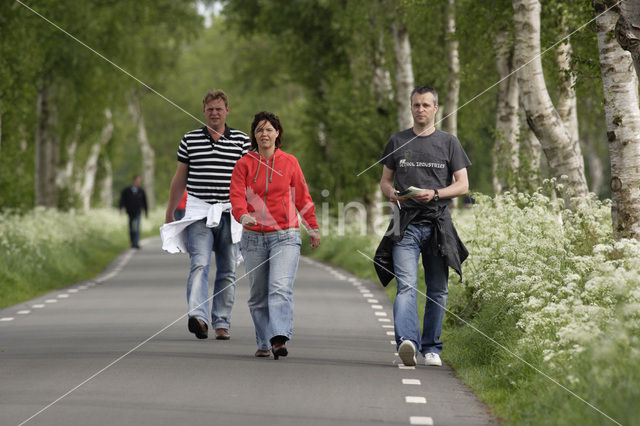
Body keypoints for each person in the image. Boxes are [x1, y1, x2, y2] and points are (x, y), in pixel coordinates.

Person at [376, 85, 471, 367]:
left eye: (426, 105)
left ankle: (431, 348)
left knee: (438, 289)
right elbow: (384, 181)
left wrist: (437, 194)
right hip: (404, 224)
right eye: (416, 105)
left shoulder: (449, 142)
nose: (420, 110)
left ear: (435, 109)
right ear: (411, 108)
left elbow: (463, 184)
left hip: (439, 226)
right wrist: (391, 193)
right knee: (406, 284)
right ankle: (407, 342)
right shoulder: (397, 141)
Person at [230, 111, 321, 359]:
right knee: (259, 294)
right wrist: (242, 215)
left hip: (286, 235)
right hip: (253, 238)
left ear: (277, 133)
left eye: (269, 129)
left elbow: (302, 197)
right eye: (259, 130)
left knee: (279, 287)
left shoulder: (289, 162)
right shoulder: (244, 164)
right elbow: (236, 195)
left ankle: (279, 338)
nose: (264, 134)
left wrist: (311, 226)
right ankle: (263, 340)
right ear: (254, 135)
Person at [164, 89, 250, 341]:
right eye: (210, 109)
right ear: (204, 112)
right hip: (199, 211)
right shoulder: (190, 140)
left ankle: (221, 322)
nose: (214, 113)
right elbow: (180, 178)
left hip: (230, 211)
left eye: (219, 109)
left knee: (227, 270)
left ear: (227, 111)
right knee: (199, 264)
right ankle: (198, 317)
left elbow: (249, 181)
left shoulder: (242, 141)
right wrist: (170, 211)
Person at [119, 175, 148, 249]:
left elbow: (145, 202)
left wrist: (146, 212)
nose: (138, 182)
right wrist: (121, 208)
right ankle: (132, 242)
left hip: (138, 211)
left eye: (139, 181)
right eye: (137, 181)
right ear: (134, 181)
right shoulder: (126, 190)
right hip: (130, 211)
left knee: (137, 227)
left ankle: (136, 242)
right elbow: (122, 200)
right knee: (131, 227)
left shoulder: (141, 191)